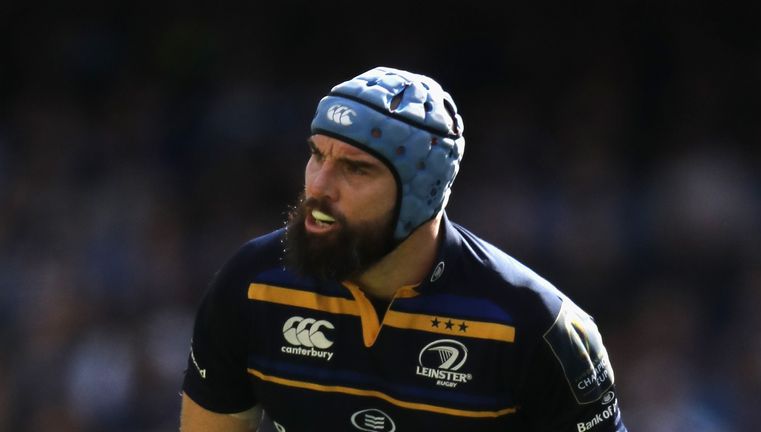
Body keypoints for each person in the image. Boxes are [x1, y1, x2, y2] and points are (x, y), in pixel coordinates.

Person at [180, 66, 628, 431]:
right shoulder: (250, 285)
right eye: (317, 154)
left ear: (422, 195)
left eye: (355, 169)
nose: (318, 187)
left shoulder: (537, 325)